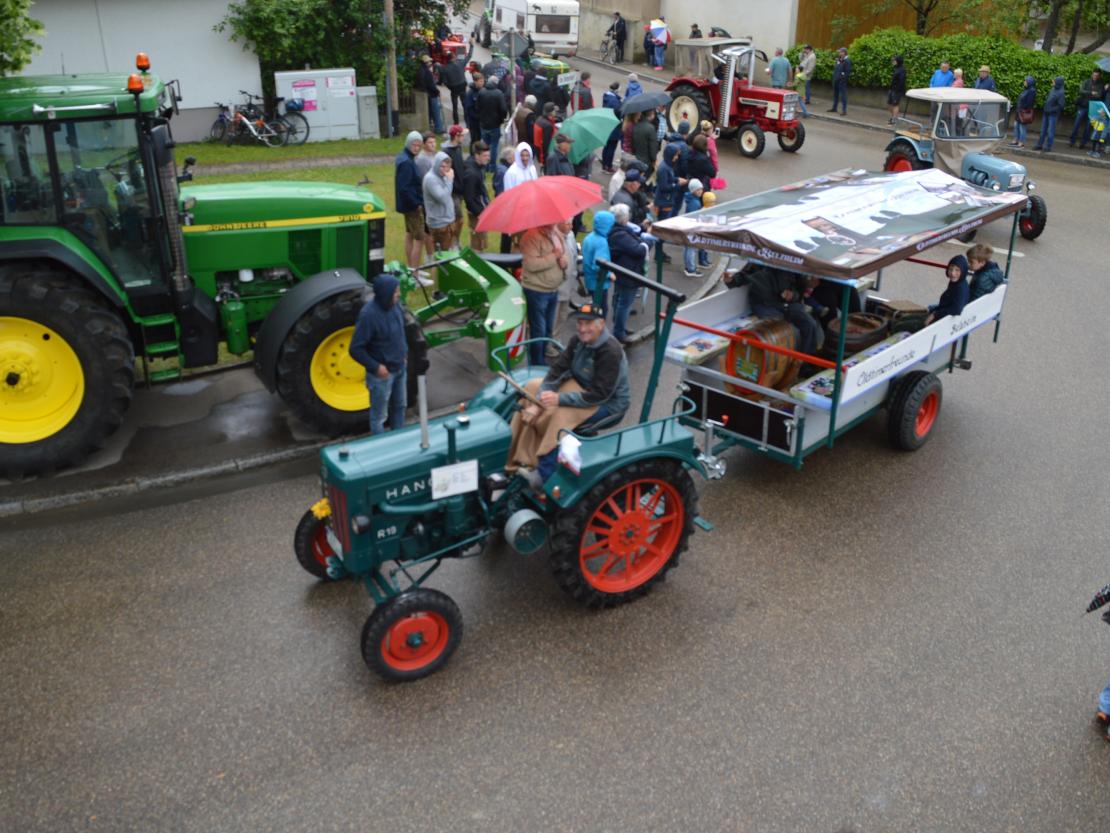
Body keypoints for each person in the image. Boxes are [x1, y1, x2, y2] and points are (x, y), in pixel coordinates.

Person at [505, 303, 630, 483]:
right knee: (531, 387)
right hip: (581, 388)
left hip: (608, 404)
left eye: (588, 324)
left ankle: (544, 475)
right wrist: (537, 402)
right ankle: (516, 455)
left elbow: (599, 395)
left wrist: (557, 399)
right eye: (580, 323)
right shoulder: (577, 340)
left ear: (601, 324)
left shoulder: (610, 351)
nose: (582, 328)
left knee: (559, 416)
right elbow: (557, 371)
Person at [349, 273, 408, 435]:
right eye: (396, 291)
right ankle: (380, 447)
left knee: (400, 406)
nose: (399, 294)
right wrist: (376, 367)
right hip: (382, 375)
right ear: (386, 294)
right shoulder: (368, 316)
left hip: (400, 368)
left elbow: (400, 331)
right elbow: (355, 349)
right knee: (379, 416)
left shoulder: (395, 306)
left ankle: (398, 439)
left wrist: (404, 353)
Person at [520, 222, 568, 365]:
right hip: (537, 291)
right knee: (538, 331)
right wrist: (554, 256)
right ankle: (537, 364)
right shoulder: (530, 237)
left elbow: (563, 254)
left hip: (552, 290)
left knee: (547, 329)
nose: (556, 221)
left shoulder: (555, 233)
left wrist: (565, 261)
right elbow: (531, 265)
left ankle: (542, 359)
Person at [608, 203, 650, 343]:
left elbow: (635, 238)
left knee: (620, 300)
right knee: (624, 303)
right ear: (624, 218)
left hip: (624, 271)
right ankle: (619, 332)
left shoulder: (619, 230)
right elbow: (638, 250)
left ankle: (620, 327)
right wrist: (647, 243)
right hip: (628, 273)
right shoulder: (619, 234)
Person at [395, 131, 426, 271]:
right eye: (414, 145)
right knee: (419, 239)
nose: (417, 148)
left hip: (408, 205)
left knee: (409, 234)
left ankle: (411, 268)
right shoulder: (406, 162)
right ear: (408, 143)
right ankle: (415, 274)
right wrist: (416, 204)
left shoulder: (405, 158)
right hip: (412, 206)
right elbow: (404, 188)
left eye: (419, 145)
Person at [422, 151, 456, 252]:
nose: (445, 170)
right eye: (442, 166)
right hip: (439, 224)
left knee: (448, 254)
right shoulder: (431, 179)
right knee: (443, 257)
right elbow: (443, 198)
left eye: (447, 167)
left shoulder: (443, 176)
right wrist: (450, 181)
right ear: (436, 164)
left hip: (447, 221)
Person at [581, 210, 614, 315]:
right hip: (599, 283)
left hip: (589, 280)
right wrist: (610, 275)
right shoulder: (601, 242)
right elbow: (599, 265)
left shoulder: (589, 237)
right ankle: (598, 330)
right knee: (602, 310)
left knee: (596, 306)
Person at [462, 140, 491, 252]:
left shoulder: (479, 167)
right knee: (477, 244)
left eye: (488, 155)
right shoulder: (471, 174)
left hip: (480, 211)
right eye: (484, 156)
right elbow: (469, 198)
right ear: (476, 155)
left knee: (482, 242)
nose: (487, 158)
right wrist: (480, 213)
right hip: (476, 214)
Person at [924, 255, 970, 326]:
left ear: (963, 271)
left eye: (957, 270)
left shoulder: (960, 288)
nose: (952, 273)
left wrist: (935, 314)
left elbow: (956, 309)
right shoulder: (956, 282)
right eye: (950, 269)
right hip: (943, 316)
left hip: (946, 323)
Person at [476, 73, 508, 171]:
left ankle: (485, 165)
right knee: (494, 146)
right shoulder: (499, 93)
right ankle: (492, 167)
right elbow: (503, 109)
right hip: (495, 124)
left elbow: (477, 107)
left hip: (483, 124)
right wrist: (502, 119)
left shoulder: (481, 92)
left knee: (485, 145)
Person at [443, 124, 467, 244]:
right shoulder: (447, 152)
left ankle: (455, 240)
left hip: (460, 189)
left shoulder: (458, 148)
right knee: (458, 219)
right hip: (453, 191)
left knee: (458, 219)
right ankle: (453, 241)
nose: (463, 137)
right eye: (462, 135)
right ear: (456, 136)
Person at [1070, 69, 1104, 149]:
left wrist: (1088, 93)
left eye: (1097, 75)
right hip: (1083, 106)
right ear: (1092, 74)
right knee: (1076, 124)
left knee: (1088, 127)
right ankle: (1072, 141)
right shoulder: (1087, 81)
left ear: (1099, 76)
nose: (1095, 77)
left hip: (1093, 108)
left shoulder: (1100, 84)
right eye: (1094, 75)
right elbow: (1081, 91)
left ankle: (1083, 143)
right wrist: (1091, 93)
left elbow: (1099, 95)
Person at [681, 179, 708, 277]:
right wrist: (703, 211)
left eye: (701, 189)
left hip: (688, 228)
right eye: (698, 190)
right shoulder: (695, 203)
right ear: (693, 191)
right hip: (692, 229)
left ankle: (688, 267)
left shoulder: (691, 199)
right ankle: (691, 269)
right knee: (691, 249)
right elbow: (695, 217)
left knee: (687, 248)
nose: (700, 191)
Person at [1035, 76, 1066, 152]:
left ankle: (1048, 146)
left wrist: (1051, 110)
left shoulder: (1061, 93)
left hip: (1053, 114)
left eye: (1054, 81)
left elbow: (1061, 106)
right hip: (1046, 112)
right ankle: (1039, 145)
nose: (1052, 82)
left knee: (1050, 131)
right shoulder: (1053, 89)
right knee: (1043, 130)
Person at [418, 55, 444, 135]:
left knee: (430, 112)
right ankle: (439, 128)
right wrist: (437, 91)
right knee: (436, 112)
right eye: (429, 62)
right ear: (426, 63)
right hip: (432, 94)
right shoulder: (427, 72)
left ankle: (431, 126)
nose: (430, 63)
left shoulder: (421, 70)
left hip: (427, 94)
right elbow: (431, 85)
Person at [601, 82, 623, 173]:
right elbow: (619, 113)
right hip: (614, 127)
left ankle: (604, 164)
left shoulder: (607, 97)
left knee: (606, 147)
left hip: (607, 126)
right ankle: (608, 166)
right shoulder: (614, 101)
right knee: (611, 148)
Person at [440, 55, 467, 126]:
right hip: (462, 86)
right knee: (465, 104)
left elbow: (444, 82)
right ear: (453, 58)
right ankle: (467, 119)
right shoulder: (460, 63)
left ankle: (456, 122)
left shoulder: (444, 68)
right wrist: (472, 46)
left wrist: (451, 87)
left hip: (454, 88)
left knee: (455, 106)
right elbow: (469, 57)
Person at [631, 106, 659, 173]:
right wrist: (654, 160)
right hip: (647, 162)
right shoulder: (651, 128)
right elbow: (653, 148)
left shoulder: (636, 126)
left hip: (637, 158)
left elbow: (633, 146)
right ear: (651, 113)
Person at [1011, 76, 1035, 149]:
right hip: (1019, 111)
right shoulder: (1025, 89)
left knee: (1022, 128)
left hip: (1023, 112)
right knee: (1016, 126)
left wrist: (1024, 109)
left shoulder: (1032, 91)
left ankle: (1021, 143)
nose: (1024, 82)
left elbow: (1030, 103)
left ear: (1029, 82)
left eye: (1026, 81)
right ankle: (1016, 140)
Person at [533, 102, 558, 168]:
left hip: (539, 153)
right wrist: (543, 161)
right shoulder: (548, 126)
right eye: (554, 110)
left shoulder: (539, 119)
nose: (556, 112)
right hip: (546, 157)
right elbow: (546, 144)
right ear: (551, 112)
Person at [829, 47, 851, 115]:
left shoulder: (847, 61)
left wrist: (842, 79)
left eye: (840, 52)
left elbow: (847, 72)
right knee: (835, 95)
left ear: (844, 53)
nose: (839, 53)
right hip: (836, 80)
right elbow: (836, 70)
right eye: (839, 52)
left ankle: (844, 110)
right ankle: (834, 108)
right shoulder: (839, 60)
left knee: (843, 96)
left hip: (841, 82)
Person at [464, 72, 484, 141]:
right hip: (473, 121)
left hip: (481, 120)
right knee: (474, 139)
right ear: (475, 81)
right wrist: (477, 116)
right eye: (480, 81)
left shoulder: (483, 90)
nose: (482, 83)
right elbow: (469, 109)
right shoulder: (470, 93)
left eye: (482, 81)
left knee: (480, 138)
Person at [887, 55, 906, 124]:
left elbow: (901, 81)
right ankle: (893, 117)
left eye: (894, 60)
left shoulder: (902, 70)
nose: (893, 62)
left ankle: (894, 119)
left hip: (897, 91)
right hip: (892, 89)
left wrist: (897, 90)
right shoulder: (896, 68)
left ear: (898, 61)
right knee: (889, 104)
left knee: (895, 104)